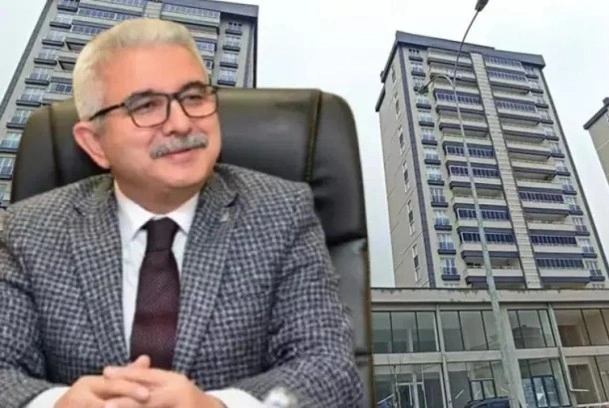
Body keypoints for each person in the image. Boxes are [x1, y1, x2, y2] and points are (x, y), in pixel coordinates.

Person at [0, 18, 362, 408]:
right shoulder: (27, 230)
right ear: (95, 143)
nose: (181, 123)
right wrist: (56, 404)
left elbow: (329, 368)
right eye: (145, 106)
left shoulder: (281, 212)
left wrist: (217, 406)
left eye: (194, 97)